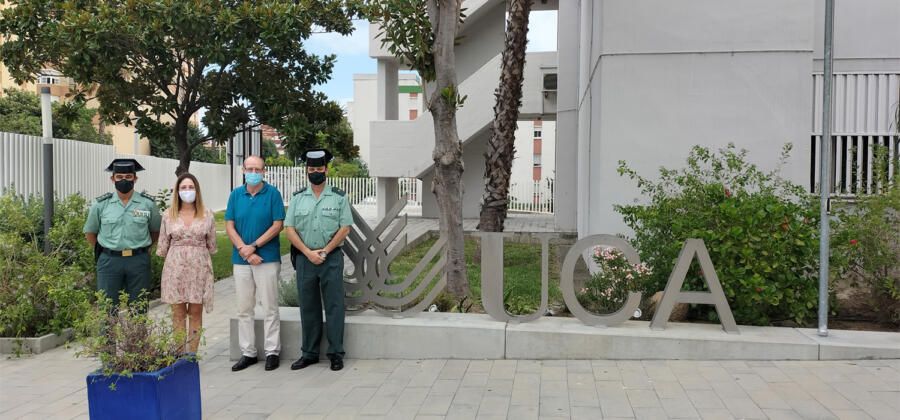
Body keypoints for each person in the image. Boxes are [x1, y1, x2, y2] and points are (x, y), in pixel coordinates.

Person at [285, 148, 353, 372]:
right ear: (306, 170)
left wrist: (325, 251)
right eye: (311, 169)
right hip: (305, 259)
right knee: (308, 306)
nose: (315, 172)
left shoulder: (339, 197)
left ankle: (335, 353)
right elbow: (289, 228)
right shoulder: (297, 198)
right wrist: (307, 252)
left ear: (326, 169)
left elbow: (345, 228)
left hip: (331, 258)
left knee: (334, 306)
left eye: (319, 168)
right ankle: (309, 353)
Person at [226, 155, 285, 372]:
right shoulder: (235, 195)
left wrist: (255, 246)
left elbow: (278, 224)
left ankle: (272, 351)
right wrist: (244, 249)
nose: (253, 172)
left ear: (264, 171)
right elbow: (229, 225)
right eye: (249, 168)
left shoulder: (273, 194)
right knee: (244, 308)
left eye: (257, 169)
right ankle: (248, 352)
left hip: (266, 258)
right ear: (243, 170)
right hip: (241, 259)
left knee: (269, 306)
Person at [83, 158, 161, 306]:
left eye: (128, 177)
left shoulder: (148, 204)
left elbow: (155, 231)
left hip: (138, 260)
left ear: (135, 179)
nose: (123, 180)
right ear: (112, 179)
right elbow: (90, 232)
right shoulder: (100, 205)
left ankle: (137, 331)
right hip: (109, 261)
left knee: (139, 307)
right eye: (119, 177)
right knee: (107, 308)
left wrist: (145, 249)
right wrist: (104, 249)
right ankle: (107, 331)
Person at [156, 173, 217, 354]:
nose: (187, 191)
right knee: (178, 313)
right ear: (177, 191)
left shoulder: (207, 215)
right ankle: (179, 352)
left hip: (199, 269)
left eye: (191, 187)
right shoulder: (168, 215)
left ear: (197, 191)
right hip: (175, 268)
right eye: (183, 188)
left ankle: (192, 355)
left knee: (196, 312)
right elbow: (162, 245)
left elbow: (212, 245)